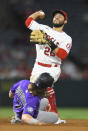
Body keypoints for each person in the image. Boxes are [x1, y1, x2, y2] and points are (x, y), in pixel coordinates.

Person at [25, 9, 72, 123]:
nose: (57, 17)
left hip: (52, 67)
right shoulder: (43, 29)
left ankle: (55, 116)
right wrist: (38, 13)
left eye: (60, 16)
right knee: (31, 91)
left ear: (65, 21)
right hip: (38, 66)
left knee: (45, 81)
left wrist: (48, 41)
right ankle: (24, 115)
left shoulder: (66, 38)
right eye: (55, 15)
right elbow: (28, 22)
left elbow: (62, 54)